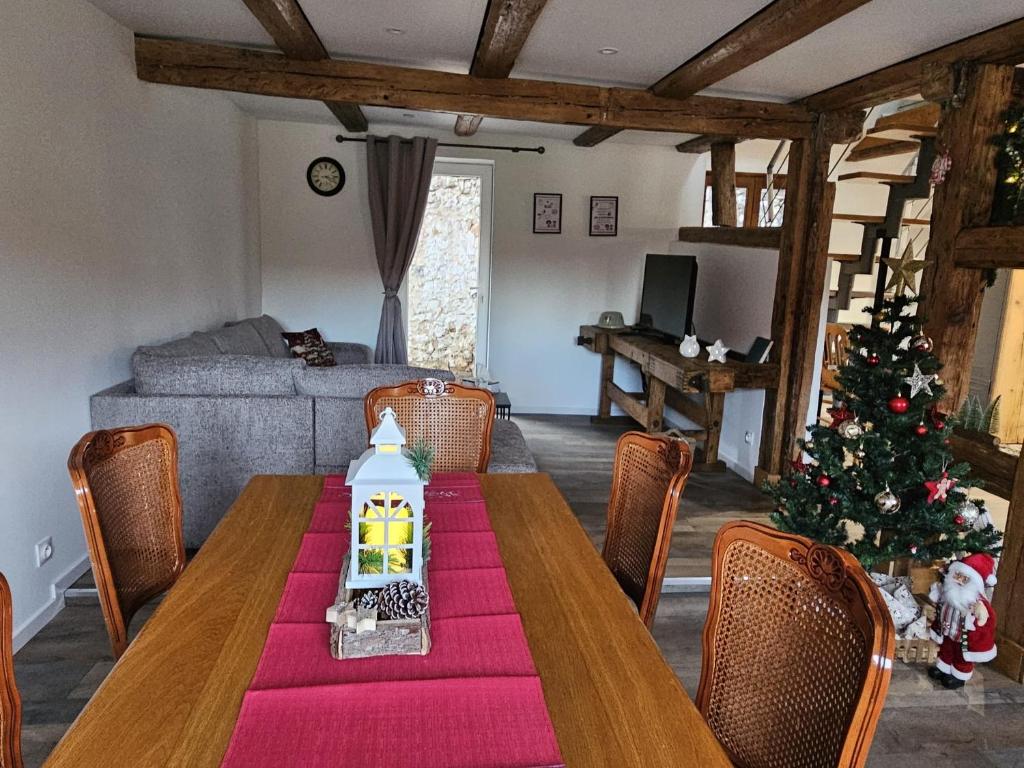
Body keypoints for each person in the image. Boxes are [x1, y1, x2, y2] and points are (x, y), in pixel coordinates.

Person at [927, 553, 998, 689]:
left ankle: (959, 675)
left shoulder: (976, 601)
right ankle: (943, 668)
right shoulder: (948, 591)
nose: (958, 580)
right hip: (947, 631)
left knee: (962, 656)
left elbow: (987, 620)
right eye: (956, 575)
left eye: (964, 578)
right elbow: (939, 597)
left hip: (963, 637)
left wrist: (981, 617)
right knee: (946, 650)